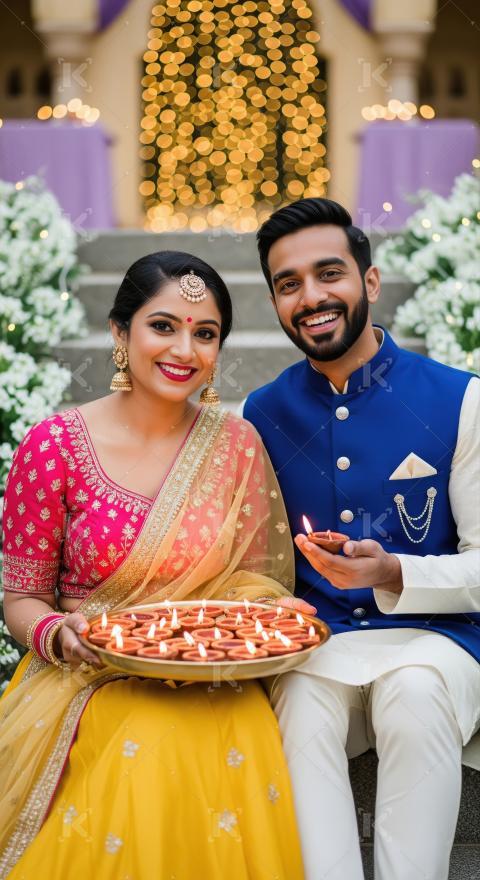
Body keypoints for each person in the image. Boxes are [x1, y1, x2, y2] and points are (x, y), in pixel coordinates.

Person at [0, 251, 309, 879]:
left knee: (237, 734)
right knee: (150, 743)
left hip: (210, 675)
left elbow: (255, 581)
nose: (184, 349)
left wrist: (278, 613)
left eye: (205, 333)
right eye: (162, 325)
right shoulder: (54, 445)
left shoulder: (236, 445)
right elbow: (20, 598)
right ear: (121, 332)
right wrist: (60, 632)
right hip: (88, 676)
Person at [242, 198, 480, 880]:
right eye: (290, 285)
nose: (311, 297)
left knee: (413, 693)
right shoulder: (264, 412)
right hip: (322, 648)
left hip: (445, 644)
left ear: (369, 284)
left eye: (329, 274)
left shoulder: (458, 399)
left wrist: (395, 573)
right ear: (276, 302)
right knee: (298, 704)